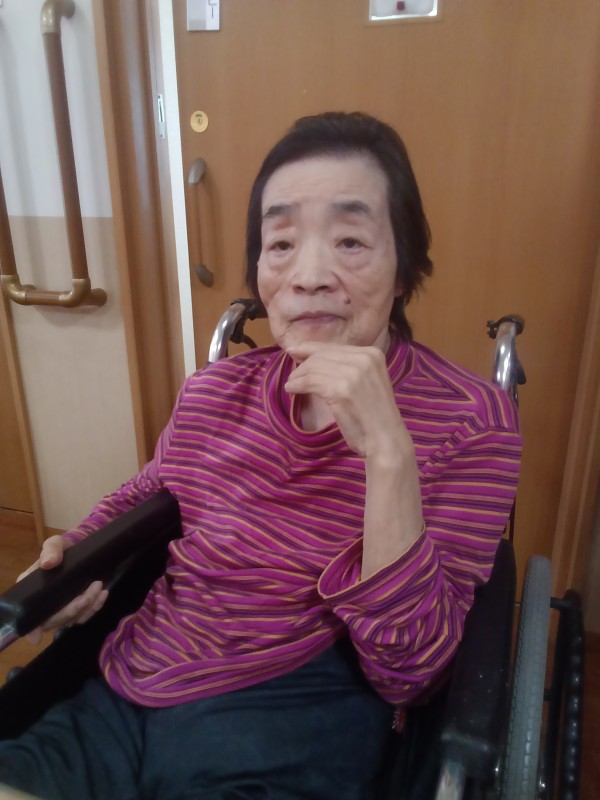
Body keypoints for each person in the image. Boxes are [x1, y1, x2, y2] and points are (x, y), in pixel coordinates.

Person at [0, 112, 521, 799]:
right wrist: (73, 557)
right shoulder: (217, 390)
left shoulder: (470, 419)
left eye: (350, 240)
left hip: (297, 713)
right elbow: (148, 492)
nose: (309, 275)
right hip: (133, 683)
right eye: (281, 244)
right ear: (259, 271)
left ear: (403, 270)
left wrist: (389, 458)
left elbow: (411, 673)